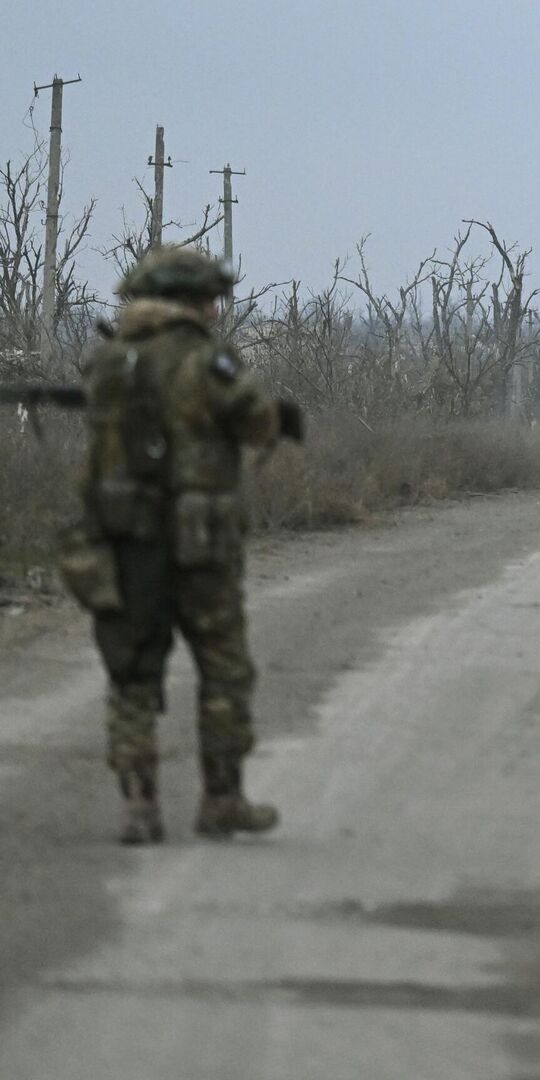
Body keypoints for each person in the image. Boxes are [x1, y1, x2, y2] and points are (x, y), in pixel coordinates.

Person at [67, 245, 302, 844]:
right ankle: (221, 799)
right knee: (223, 667)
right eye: (209, 300)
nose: (215, 310)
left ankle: (139, 806)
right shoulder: (206, 360)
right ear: (190, 302)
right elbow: (255, 422)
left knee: (133, 671)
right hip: (201, 544)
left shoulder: (109, 361)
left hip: (125, 539)